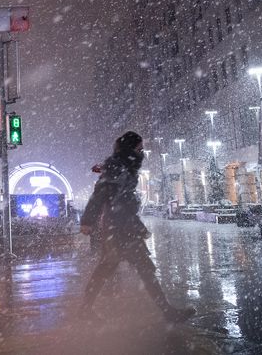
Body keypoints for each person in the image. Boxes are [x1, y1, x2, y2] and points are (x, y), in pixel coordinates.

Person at [79, 131, 195, 323]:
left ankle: (167, 311)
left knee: (124, 268)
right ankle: (167, 312)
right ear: (129, 149)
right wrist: (88, 220)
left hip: (123, 226)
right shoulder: (118, 167)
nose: (141, 153)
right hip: (119, 228)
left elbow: (116, 196)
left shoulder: (124, 166)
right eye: (139, 149)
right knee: (131, 269)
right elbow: (100, 193)